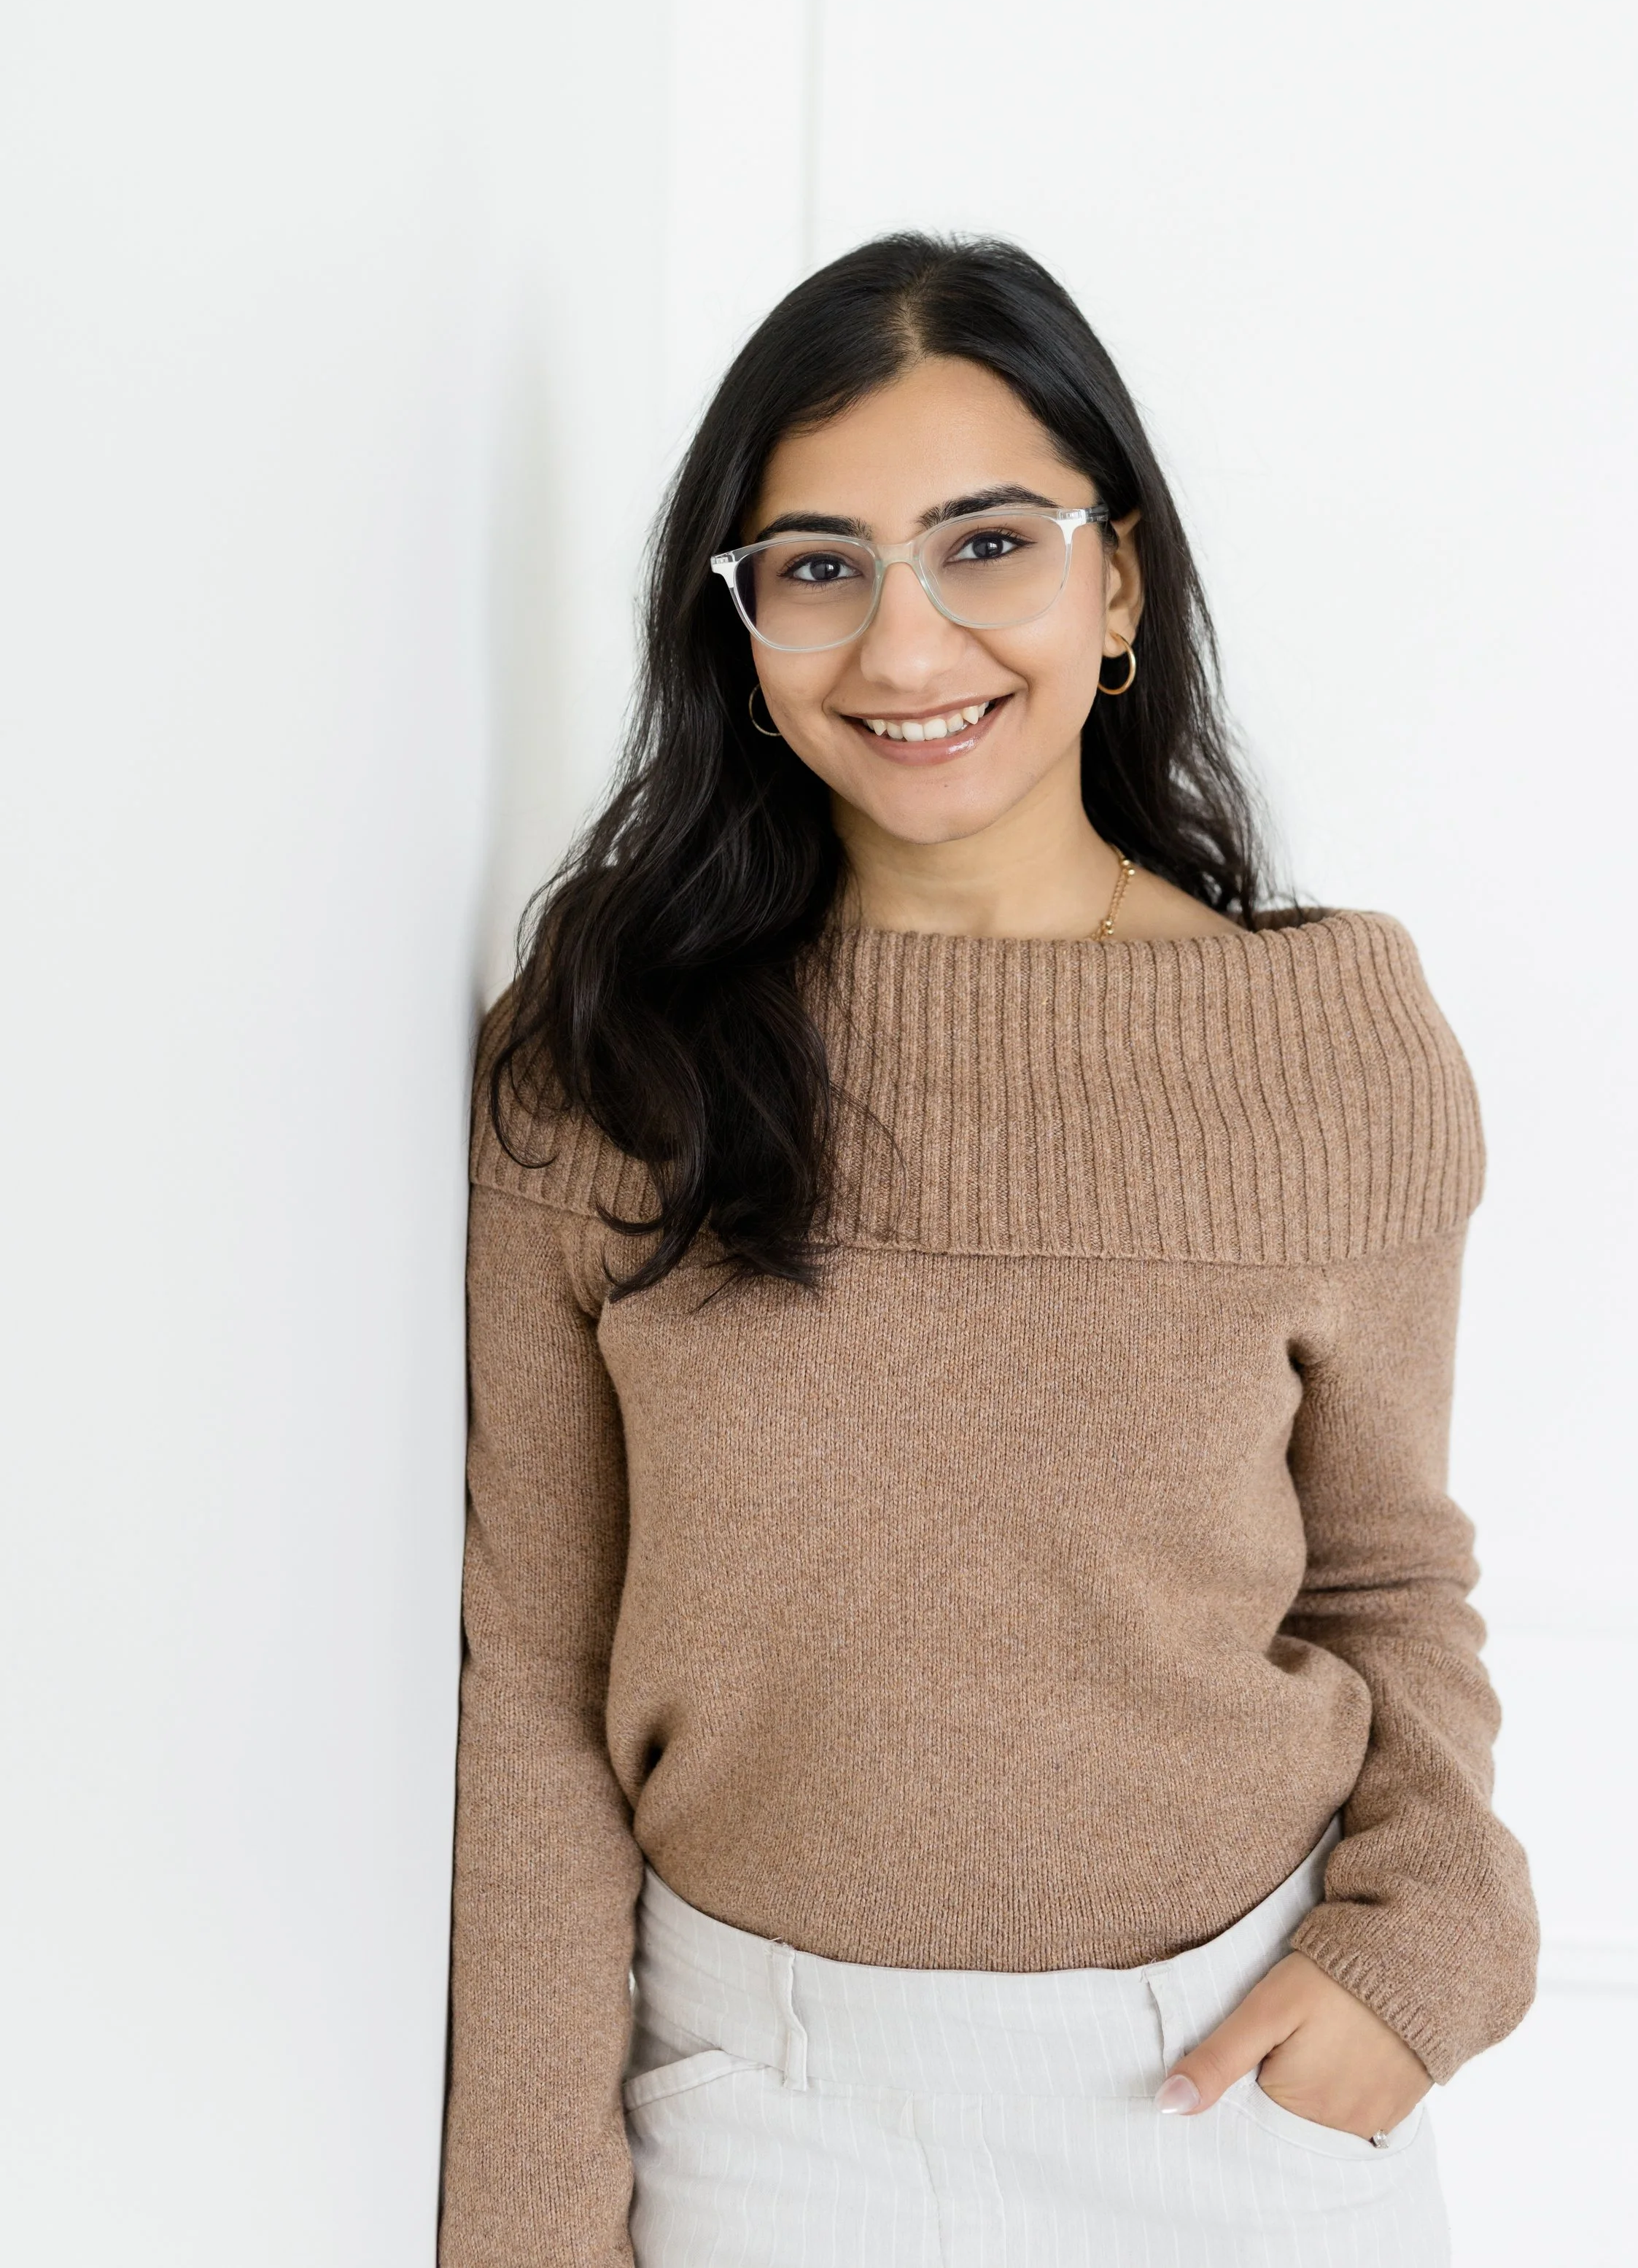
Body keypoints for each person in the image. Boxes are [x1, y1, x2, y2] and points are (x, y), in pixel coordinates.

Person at [439, 236, 1537, 2267]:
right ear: (739, 627)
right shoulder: (611, 1051)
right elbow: (528, 1672)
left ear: (1116, 581)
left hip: (1237, 2092)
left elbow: (1387, 1566)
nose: (905, 642)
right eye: (817, 563)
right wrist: (521, 2226)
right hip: (760, 2119)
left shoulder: (1330, 1042)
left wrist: (1431, 1940)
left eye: (987, 544)